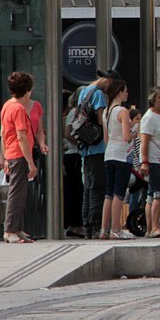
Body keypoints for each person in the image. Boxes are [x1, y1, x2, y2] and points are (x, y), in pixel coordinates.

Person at [0, 71, 39, 244]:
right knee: (16, 193)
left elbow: (3, 133)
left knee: (20, 193)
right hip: (19, 155)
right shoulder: (19, 109)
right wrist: (31, 163)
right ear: (28, 91)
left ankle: (17, 228)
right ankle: (10, 230)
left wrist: (4, 156)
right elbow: (21, 136)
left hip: (11, 154)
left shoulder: (8, 105)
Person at [78, 68, 119, 239]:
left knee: (88, 187)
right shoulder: (99, 95)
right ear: (108, 81)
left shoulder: (83, 92)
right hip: (98, 147)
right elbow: (103, 119)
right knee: (98, 187)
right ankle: (96, 226)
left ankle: (87, 225)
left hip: (86, 146)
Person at [99, 79, 136, 240]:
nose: (127, 93)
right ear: (119, 91)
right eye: (126, 90)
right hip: (122, 154)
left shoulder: (106, 112)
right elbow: (127, 136)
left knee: (108, 193)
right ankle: (116, 229)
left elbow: (106, 139)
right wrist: (136, 131)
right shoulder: (123, 111)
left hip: (109, 154)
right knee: (119, 193)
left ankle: (104, 229)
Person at [139, 86, 160, 238]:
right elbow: (144, 142)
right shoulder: (149, 118)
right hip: (154, 160)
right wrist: (144, 161)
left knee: (152, 195)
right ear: (153, 99)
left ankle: (150, 228)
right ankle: (155, 227)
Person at [62, 88, 86, 237]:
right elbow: (67, 133)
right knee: (76, 190)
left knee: (78, 190)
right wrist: (79, 144)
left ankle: (76, 223)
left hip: (76, 154)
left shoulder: (79, 111)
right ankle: (74, 223)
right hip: (73, 155)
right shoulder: (74, 112)